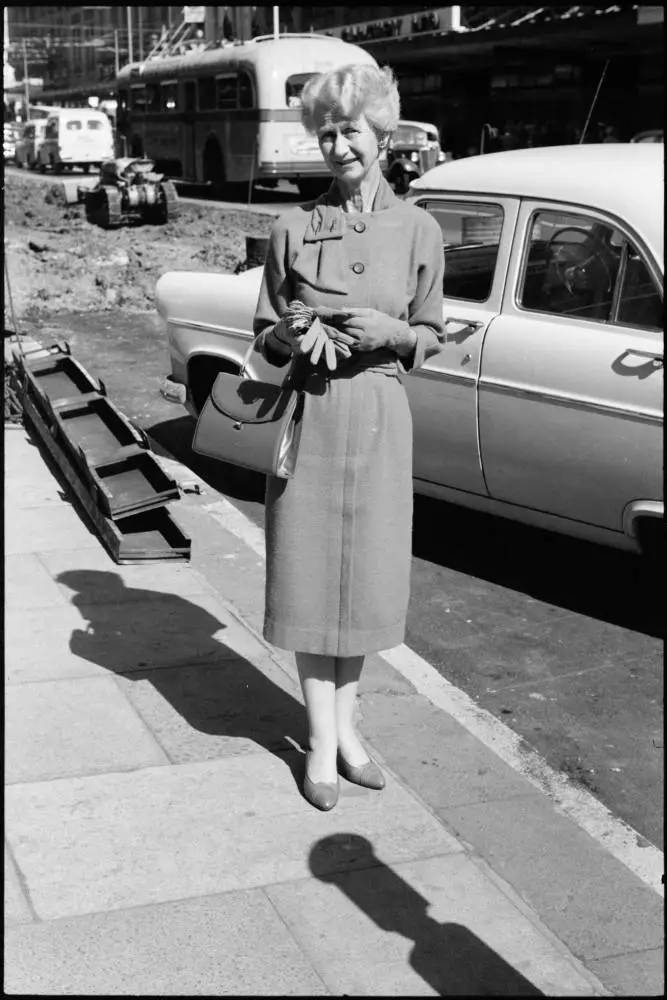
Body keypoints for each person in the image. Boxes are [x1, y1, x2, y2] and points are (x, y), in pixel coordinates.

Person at [252, 63, 445, 811]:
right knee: (308, 576)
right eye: (324, 134)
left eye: (350, 131)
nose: (337, 147)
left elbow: (430, 330)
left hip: (378, 419)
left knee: (362, 580)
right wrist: (285, 333)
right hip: (311, 417)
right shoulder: (290, 226)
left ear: (382, 133)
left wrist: (397, 332)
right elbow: (262, 335)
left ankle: (351, 732)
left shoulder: (418, 228)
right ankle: (321, 748)